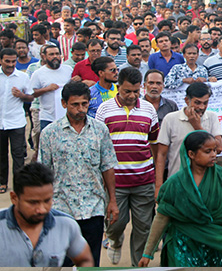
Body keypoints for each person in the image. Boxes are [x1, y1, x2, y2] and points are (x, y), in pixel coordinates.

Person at [139, 131, 222, 267]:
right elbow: (162, 218)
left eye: (215, 150)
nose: (214, 155)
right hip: (182, 245)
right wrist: (147, 253)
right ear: (191, 154)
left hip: (212, 245)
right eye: (207, 151)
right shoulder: (175, 183)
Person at [39, 81, 118, 266]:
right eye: (75, 104)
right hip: (61, 208)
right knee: (62, 261)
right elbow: (43, 173)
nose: (80, 109)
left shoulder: (100, 130)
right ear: (64, 103)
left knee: (90, 261)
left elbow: (107, 166)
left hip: (93, 207)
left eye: (84, 103)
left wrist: (112, 201)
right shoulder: (50, 133)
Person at [95, 67, 160, 266]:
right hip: (115, 182)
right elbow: (99, 147)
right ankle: (114, 240)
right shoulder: (104, 109)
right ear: (118, 88)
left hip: (143, 179)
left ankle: (137, 265)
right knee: (115, 223)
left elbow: (154, 144)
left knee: (144, 227)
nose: (132, 96)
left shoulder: (149, 109)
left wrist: (156, 177)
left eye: (135, 91)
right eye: (127, 91)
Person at [0, 162, 95, 267]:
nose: (41, 209)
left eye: (47, 201)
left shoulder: (66, 225)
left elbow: (85, 260)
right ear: (14, 198)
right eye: (33, 202)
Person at [156, 82, 222, 194]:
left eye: (205, 103)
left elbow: (219, 148)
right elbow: (161, 155)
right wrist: (158, 186)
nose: (201, 107)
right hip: (177, 183)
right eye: (197, 103)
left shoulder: (211, 117)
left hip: (206, 185)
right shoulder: (170, 119)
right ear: (187, 100)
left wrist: (197, 126)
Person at [0, 49, 33, 194]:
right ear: (1, 60)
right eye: (7, 61)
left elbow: (31, 97)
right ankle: (2, 182)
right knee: (1, 154)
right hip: (1, 122)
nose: (11, 64)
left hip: (16, 121)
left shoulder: (22, 77)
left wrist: (21, 95)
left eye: (13, 61)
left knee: (18, 154)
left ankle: (18, 185)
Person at [30, 45, 74, 131]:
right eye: (51, 54)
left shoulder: (68, 70)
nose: (55, 57)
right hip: (47, 117)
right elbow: (31, 93)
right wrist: (46, 89)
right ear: (44, 56)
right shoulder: (38, 73)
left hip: (67, 116)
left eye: (57, 54)